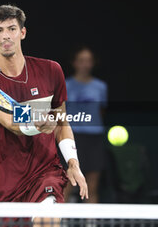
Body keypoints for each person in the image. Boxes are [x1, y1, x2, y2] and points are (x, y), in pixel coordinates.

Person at [0, 5, 88, 226]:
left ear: (22, 33)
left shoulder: (51, 71)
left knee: (47, 221)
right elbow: (10, 123)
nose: (6, 35)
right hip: (5, 186)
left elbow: (62, 123)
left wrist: (73, 163)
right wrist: (38, 121)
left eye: (12, 29)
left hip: (45, 173)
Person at [64, 46, 108, 204]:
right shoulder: (65, 85)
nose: (85, 64)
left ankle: (90, 223)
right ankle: (59, 222)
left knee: (92, 186)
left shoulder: (101, 87)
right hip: (73, 139)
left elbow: (101, 111)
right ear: (75, 63)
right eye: (81, 60)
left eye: (88, 61)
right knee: (67, 183)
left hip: (94, 139)